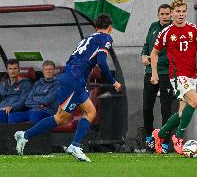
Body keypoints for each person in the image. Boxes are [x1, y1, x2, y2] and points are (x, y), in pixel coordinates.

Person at [14, 14, 121, 162]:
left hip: (72, 78)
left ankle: (74, 145)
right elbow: (102, 62)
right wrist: (113, 81)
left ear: (95, 27)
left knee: (90, 112)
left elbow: (74, 59)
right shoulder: (106, 38)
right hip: (74, 80)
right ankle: (25, 136)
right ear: (110, 28)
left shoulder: (86, 39)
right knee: (62, 118)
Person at [150, 0, 197, 155]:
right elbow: (154, 53)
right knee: (195, 100)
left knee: (181, 113)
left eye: (183, 11)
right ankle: (178, 137)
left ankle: (159, 134)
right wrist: (154, 73)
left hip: (192, 75)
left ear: (187, 12)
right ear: (172, 13)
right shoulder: (166, 32)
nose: (181, 14)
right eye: (178, 11)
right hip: (177, 75)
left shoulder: (194, 29)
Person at [141, 4, 174, 153]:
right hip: (150, 72)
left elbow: (172, 56)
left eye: (167, 14)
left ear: (171, 15)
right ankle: (149, 139)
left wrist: (154, 60)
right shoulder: (153, 27)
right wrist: (143, 55)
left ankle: (165, 144)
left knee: (166, 109)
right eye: (162, 14)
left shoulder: (174, 31)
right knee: (147, 108)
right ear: (158, 15)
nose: (165, 16)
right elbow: (147, 44)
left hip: (166, 73)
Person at [0, 59, 33, 123]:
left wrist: (11, 107)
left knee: (1, 115)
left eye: (15, 68)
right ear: (7, 70)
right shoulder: (3, 83)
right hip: (2, 108)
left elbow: (24, 101)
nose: (12, 71)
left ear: (19, 70)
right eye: (10, 68)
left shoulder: (25, 83)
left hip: (15, 110)